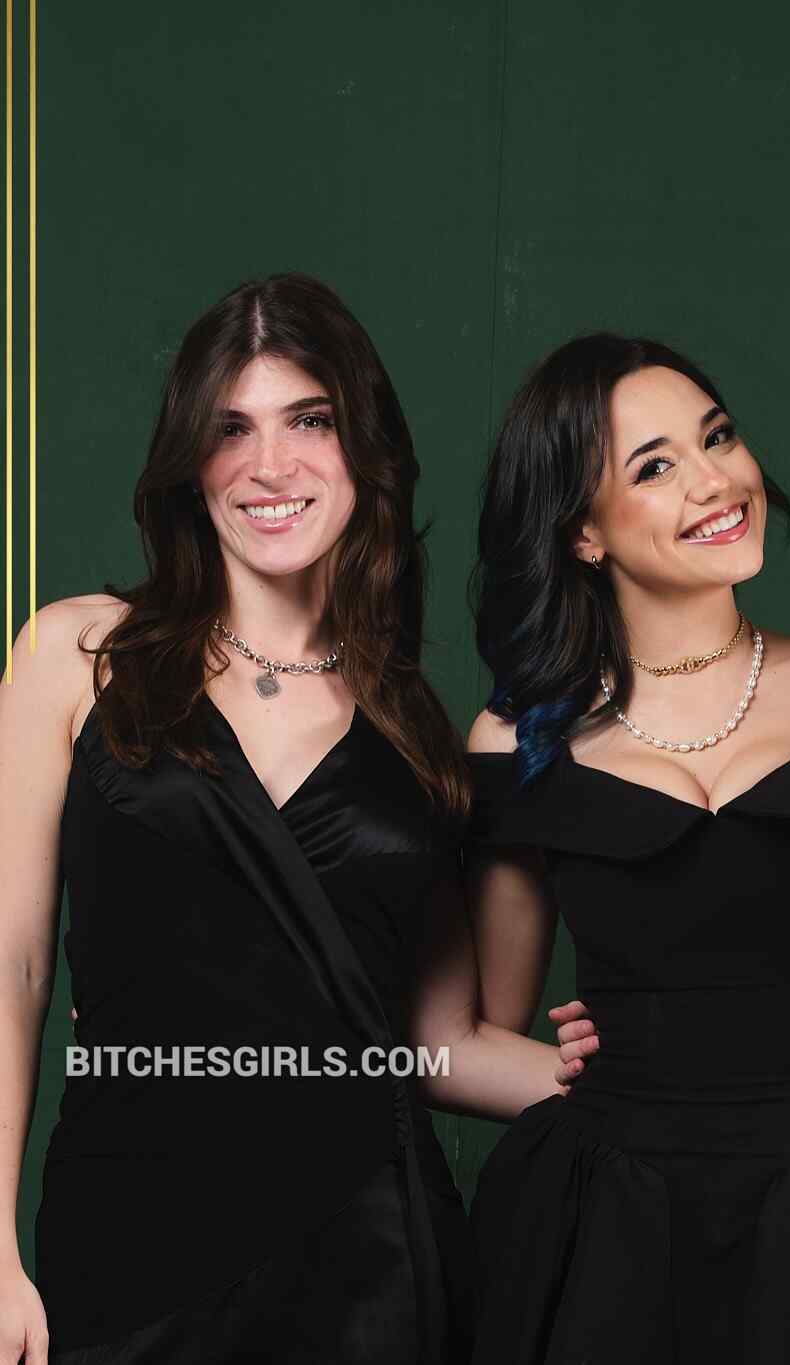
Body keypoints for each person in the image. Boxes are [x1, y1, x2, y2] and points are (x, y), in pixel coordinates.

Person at [0, 273, 573, 1365]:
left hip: (375, 1264)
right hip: (127, 1240)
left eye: (309, 420)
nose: (271, 466)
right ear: (190, 463)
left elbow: (438, 1044)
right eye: (232, 429)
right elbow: (11, 963)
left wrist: (656, 1069)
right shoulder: (78, 654)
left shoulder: (411, 729)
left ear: (365, 447)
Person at [463, 333, 790, 1363]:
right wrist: (629, 1060)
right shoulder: (516, 738)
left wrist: (759, 1041)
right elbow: (484, 1029)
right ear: (583, 532)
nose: (714, 480)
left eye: (716, 438)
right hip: (602, 1227)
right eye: (654, 466)